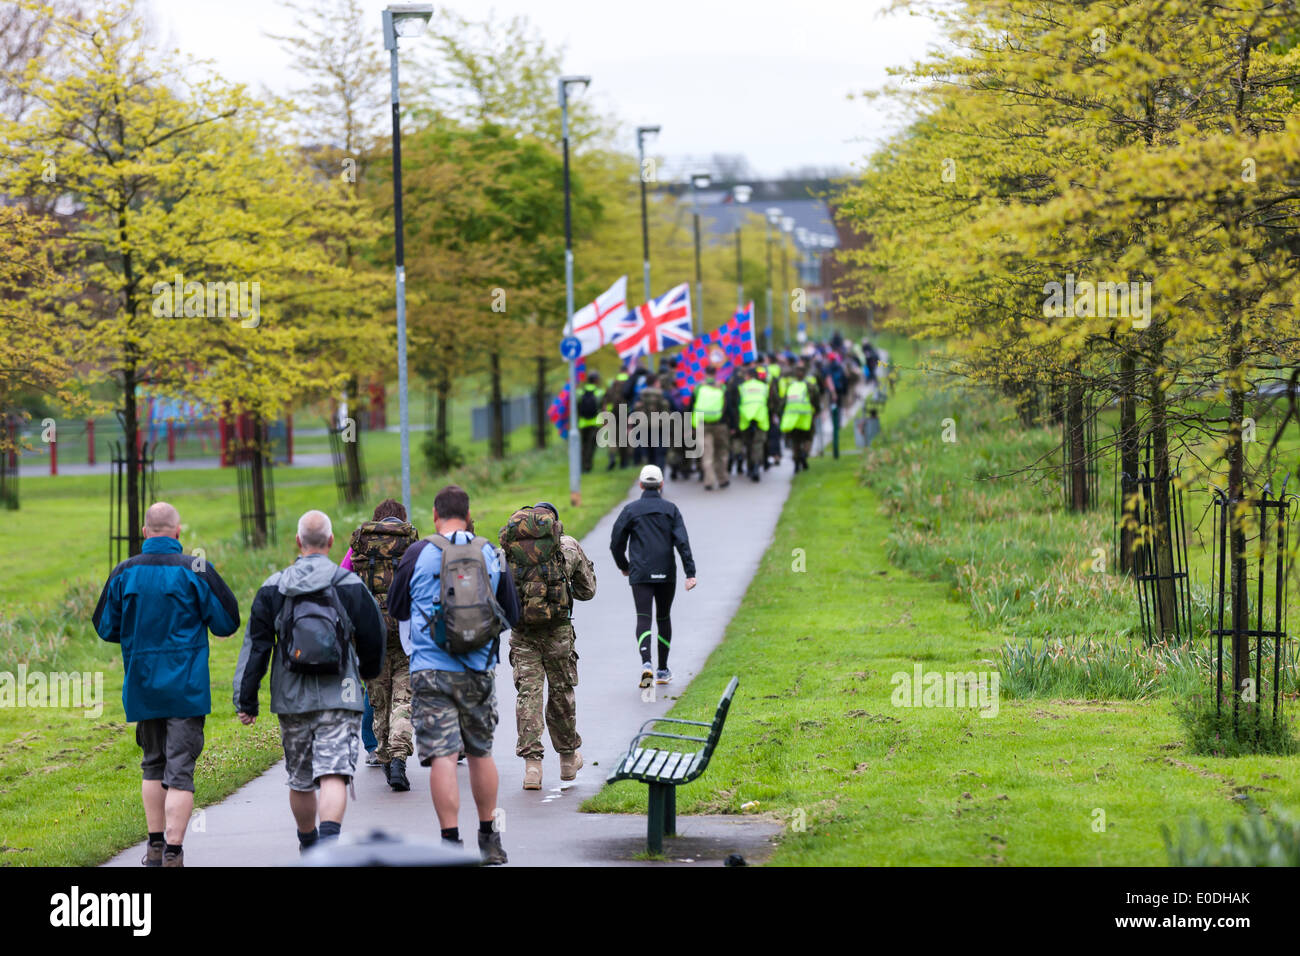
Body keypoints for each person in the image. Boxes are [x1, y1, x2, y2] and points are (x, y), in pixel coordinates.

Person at [93, 502, 240, 868]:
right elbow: (227, 621)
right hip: (186, 688)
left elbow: (105, 627)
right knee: (180, 772)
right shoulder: (196, 568)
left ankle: (154, 848)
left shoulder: (124, 572)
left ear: (145, 533)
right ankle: (174, 852)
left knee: (152, 765)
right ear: (178, 532)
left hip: (143, 686)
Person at [233, 510, 385, 855]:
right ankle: (329, 848)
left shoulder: (274, 587)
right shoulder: (348, 584)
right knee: (333, 773)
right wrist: (368, 673)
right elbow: (373, 634)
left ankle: (308, 845)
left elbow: (256, 646)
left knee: (300, 779)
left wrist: (247, 700)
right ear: (331, 542)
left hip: (291, 698)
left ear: (298, 542)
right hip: (340, 694)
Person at [388, 485, 520, 865]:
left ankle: (449, 844)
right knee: (480, 752)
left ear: (434, 515)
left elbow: (397, 608)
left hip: (431, 671)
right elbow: (510, 614)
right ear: (467, 514)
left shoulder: (417, 553)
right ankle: (489, 839)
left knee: (443, 756)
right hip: (478, 669)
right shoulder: (490, 553)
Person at [499, 501, 597, 790]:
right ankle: (567, 760)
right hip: (558, 632)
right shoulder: (566, 546)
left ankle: (532, 767)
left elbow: (499, 591)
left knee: (529, 695)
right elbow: (588, 591)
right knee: (561, 691)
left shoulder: (508, 549)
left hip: (522, 633)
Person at [341, 499, 420, 792]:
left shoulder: (359, 547)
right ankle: (399, 755)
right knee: (404, 698)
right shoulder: (412, 546)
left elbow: (342, 583)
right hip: (406, 632)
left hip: (370, 635)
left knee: (378, 700)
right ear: (402, 520)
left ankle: (383, 753)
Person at [610, 465, 697, 687]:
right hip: (666, 572)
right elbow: (682, 542)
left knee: (643, 617)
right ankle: (662, 670)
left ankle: (646, 664)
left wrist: (624, 565)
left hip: (640, 572)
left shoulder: (630, 510)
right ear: (661, 485)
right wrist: (690, 573)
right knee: (663, 617)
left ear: (640, 485)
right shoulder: (671, 509)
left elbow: (616, 542)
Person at [690, 368, 729, 491]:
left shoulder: (698, 388)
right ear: (715, 374)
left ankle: (709, 481)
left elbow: (691, 405)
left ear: (705, 374)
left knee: (707, 453)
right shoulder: (722, 387)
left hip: (702, 423)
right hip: (720, 424)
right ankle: (722, 479)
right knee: (721, 451)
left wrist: (691, 425)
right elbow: (728, 406)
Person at [736, 366, 771, 482]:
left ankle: (751, 468)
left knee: (748, 445)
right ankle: (756, 467)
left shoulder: (742, 387)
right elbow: (770, 403)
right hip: (761, 418)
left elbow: (737, 403)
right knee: (758, 444)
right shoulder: (764, 386)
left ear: (748, 376)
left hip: (746, 419)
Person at [632, 372, 672, 471]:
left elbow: (633, 411)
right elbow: (674, 407)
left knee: (650, 457)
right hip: (660, 429)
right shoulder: (663, 394)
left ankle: (651, 480)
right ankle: (660, 479)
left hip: (644, 429)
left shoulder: (640, 394)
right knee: (661, 455)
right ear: (656, 382)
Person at [781, 364, 815, 471]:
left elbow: (783, 402)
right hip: (806, 419)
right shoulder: (809, 386)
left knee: (796, 441)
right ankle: (804, 454)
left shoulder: (790, 386)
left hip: (793, 420)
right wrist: (817, 411)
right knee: (808, 439)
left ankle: (796, 462)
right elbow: (816, 401)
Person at [576, 371, 603, 473]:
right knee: (591, 446)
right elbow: (602, 407)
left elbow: (577, 406)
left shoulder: (580, 392)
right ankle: (588, 465)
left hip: (582, 423)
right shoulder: (599, 392)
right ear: (596, 380)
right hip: (594, 423)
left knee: (583, 445)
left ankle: (582, 465)